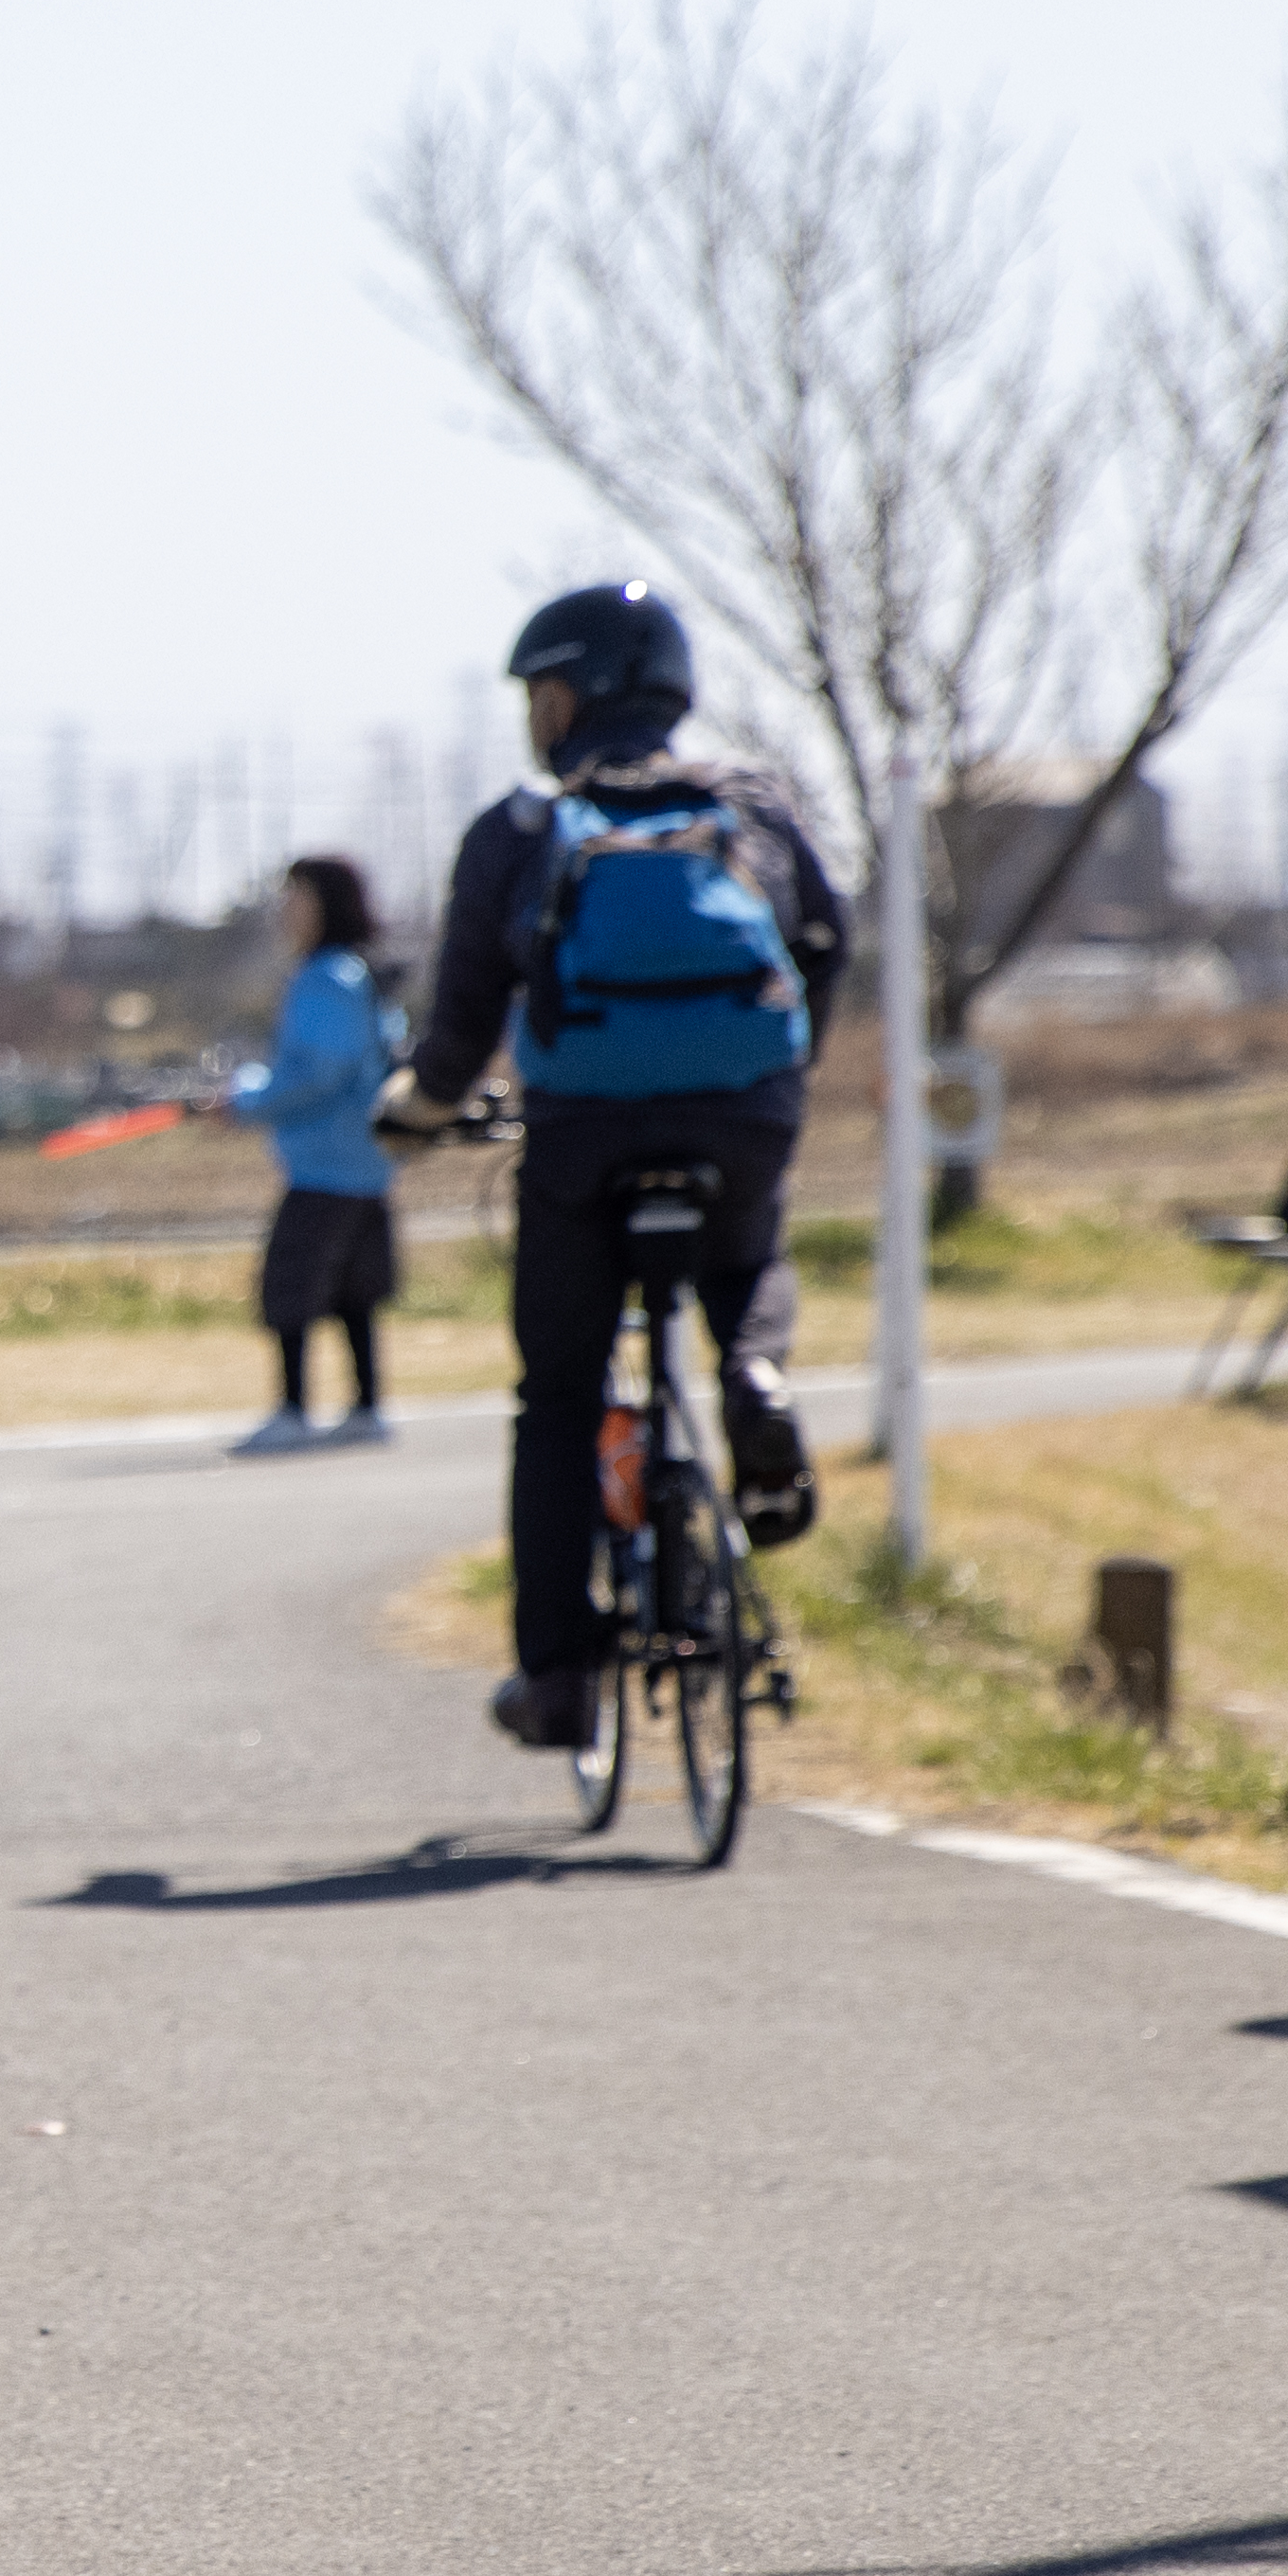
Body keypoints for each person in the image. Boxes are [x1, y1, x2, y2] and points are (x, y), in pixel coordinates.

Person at [390, 583, 847, 1756]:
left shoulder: (525, 826)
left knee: (559, 1397)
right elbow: (824, 945)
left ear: (567, 697)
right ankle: (756, 1377)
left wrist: (419, 1111)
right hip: (740, 1112)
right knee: (750, 1250)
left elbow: (458, 1025)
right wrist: (773, 1081)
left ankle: (556, 1680)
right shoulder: (749, 803)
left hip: (582, 1132)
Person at [221, 851, 402, 1454]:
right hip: (367, 1162)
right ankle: (366, 1406)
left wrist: (244, 1099)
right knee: (355, 1291)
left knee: (290, 1286)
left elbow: (318, 1073)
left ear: (325, 903)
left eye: (294, 897)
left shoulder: (325, 978)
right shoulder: (360, 974)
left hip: (326, 1163)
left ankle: (295, 1409)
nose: (284, 911)